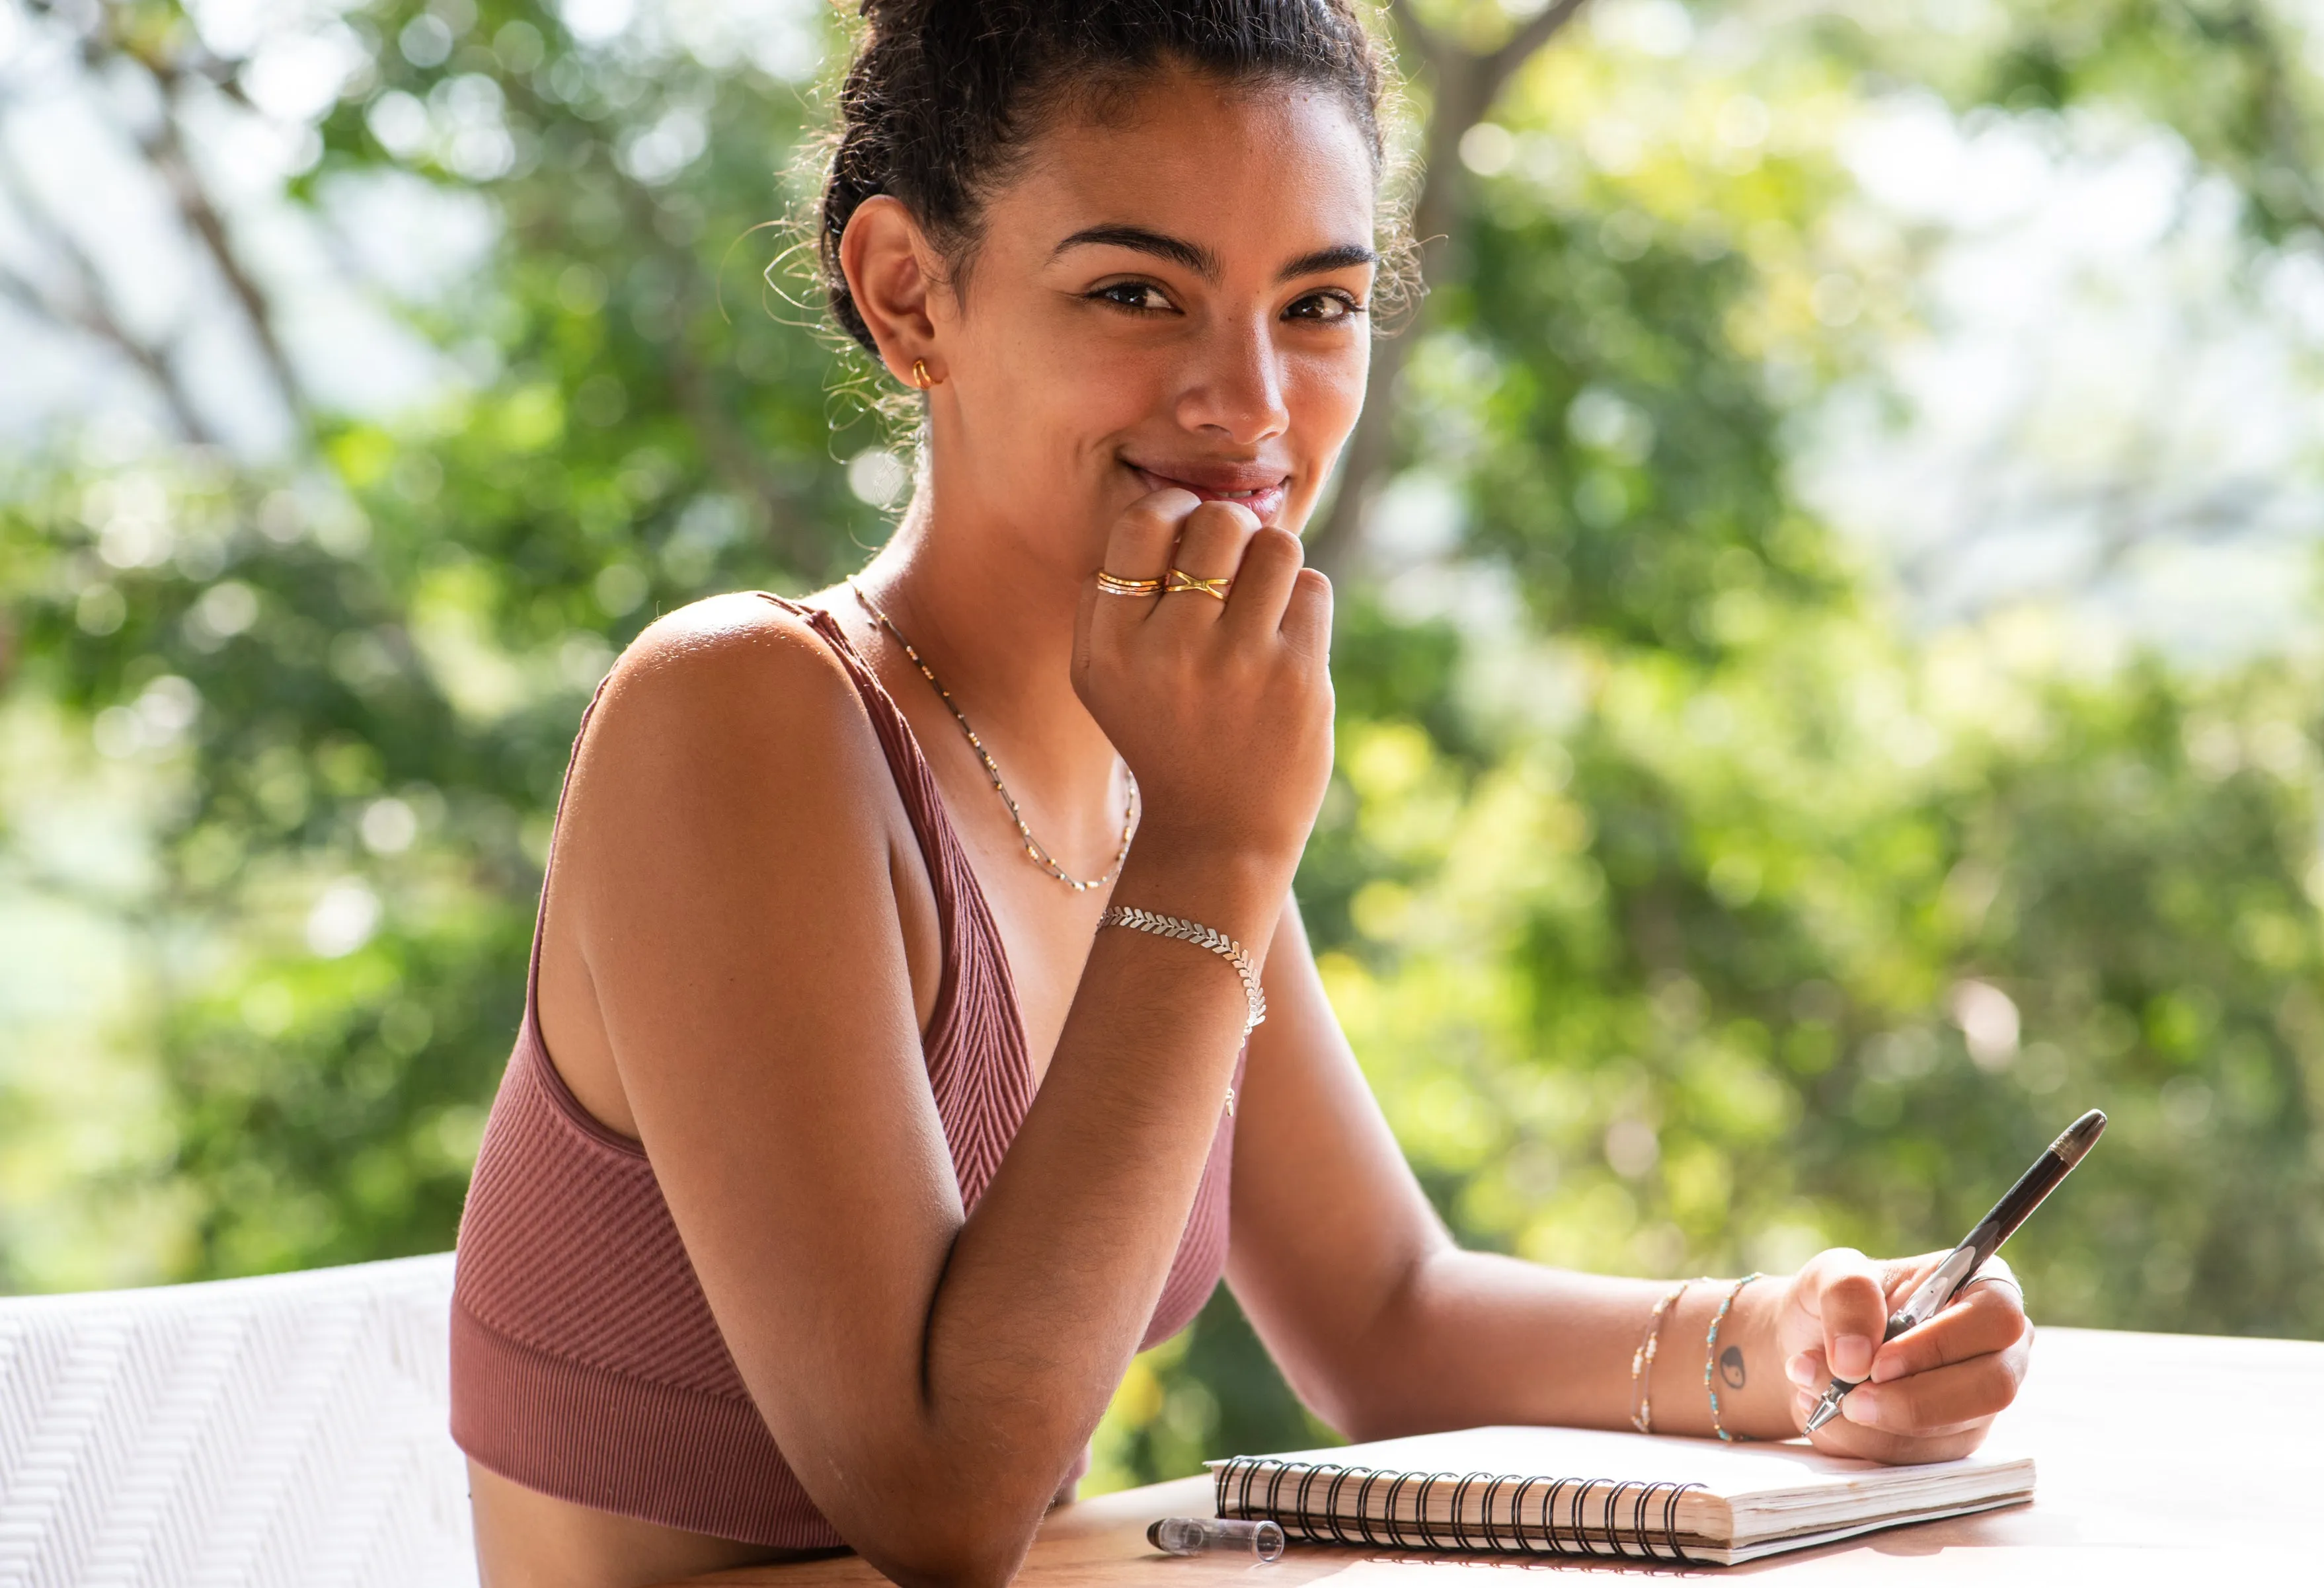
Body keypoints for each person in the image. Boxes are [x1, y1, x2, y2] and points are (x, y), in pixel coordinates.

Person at [448, 3, 2034, 1585]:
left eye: (1320, 304)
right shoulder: (741, 715)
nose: (1254, 402)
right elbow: (938, 1497)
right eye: (1138, 291)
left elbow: (1387, 1315)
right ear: (908, 292)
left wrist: (1788, 1346)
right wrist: (1215, 845)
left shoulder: (1157, 759)